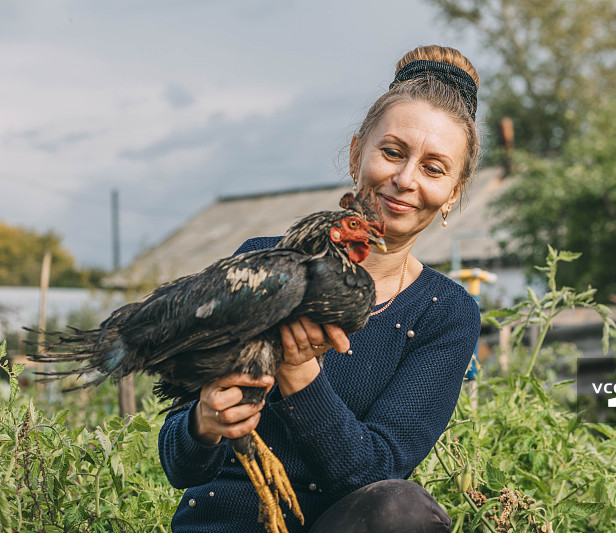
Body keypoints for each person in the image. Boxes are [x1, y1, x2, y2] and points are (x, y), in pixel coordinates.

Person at [158, 44, 482, 533]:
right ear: (357, 154)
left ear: (452, 195)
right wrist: (203, 423)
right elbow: (180, 466)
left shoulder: (444, 314)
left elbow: (376, 476)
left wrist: (296, 368)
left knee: (404, 510)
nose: (404, 179)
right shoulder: (262, 264)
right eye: (392, 152)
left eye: (434, 168)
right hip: (223, 523)